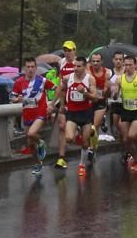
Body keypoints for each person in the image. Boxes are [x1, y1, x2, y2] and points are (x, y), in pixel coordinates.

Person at [11, 57, 54, 175]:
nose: (30, 69)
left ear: (36, 68)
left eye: (32, 67)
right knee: (30, 144)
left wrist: (52, 104)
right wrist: (17, 99)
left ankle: (41, 142)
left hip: (40, 113)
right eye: (28, 67)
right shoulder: (19, 82)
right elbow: (12, 97)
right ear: (25, 69)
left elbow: (57, 89)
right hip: (27, 115)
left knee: (32, 134)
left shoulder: (42, 80)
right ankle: (38, 163)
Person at [56, 55, 96, 177]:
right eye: (75, 66)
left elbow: (94, 97)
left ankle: (81, 165)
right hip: (72, 112)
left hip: (85, 112)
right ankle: (79, 130)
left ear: (84, 67)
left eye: (79, 66)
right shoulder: (68, 78)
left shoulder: (90, 79)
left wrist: (84, 92)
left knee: (84, 143)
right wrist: (62, 105)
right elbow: (61, 90)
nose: (76, 68)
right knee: (68, 138)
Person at [115, 54, 137, 171]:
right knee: (126, 140)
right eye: (126, 65)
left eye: (130, 65)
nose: (128, 67)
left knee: (131, 136)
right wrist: (114, 92)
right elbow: (115, 95)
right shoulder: (120, 79)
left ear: (135, 65)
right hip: (125, 110)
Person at [54, 40, 79, 168]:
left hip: (78, 101)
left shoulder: (79, 63)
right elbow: (60, 84)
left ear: (75, 50)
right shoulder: (61, 62)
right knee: (62, 126)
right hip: (64, 100)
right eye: (65, 50)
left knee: (77, 132)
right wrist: (53, 103)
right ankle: (61, 157)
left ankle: (89, 146)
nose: (67, 53)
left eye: (70, 50)